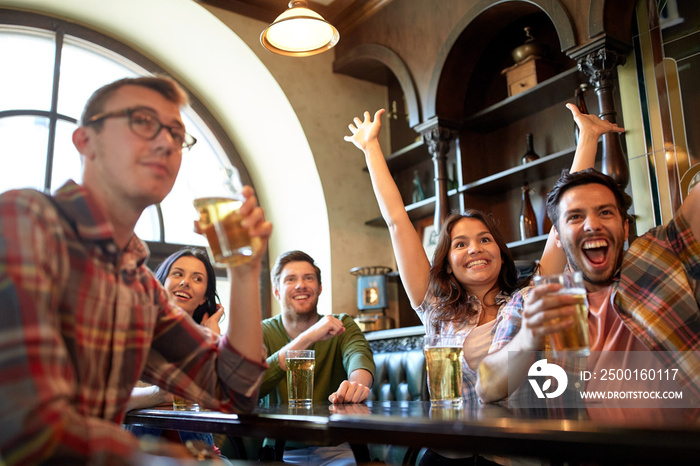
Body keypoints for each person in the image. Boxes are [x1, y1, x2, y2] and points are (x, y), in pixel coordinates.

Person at [0, 76, 272, 465]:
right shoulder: (26, 220)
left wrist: (245, 269)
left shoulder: (138, 287)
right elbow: (30, 428)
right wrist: (184, 462)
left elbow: (236, 390)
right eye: (142, 121)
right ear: (85, 141)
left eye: (177, 134)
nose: (165, 142)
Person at [345, 106, 624, 464]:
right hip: (449, 455)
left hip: (513, 454)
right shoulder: (433, 305)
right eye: (460, 244)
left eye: (485, 240)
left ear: (500, 252)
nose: (474, 248)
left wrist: (587, 138)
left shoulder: (527, 298)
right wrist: (371, 147)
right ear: (446, 262)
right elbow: (398, 221)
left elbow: (560, 230)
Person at [476, 165, 700, 403]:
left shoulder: (663, 253)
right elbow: (487, 388)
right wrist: (528, 339)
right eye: (575, 217)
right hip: (584, 439)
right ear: (559, 237)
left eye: (605, 213)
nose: (592, 225)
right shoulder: (531, 301)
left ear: (625, 228)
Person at [258, 250, 375, 464]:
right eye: (290, 279)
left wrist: (357, 386)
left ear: (319, 288)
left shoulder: (342, 324)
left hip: (336, 448)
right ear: (276, 290)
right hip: (279, 451)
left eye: (308, 278)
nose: (300, 285)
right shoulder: (262, 332)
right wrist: (309, 336)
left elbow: (359, 357)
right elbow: (254, 385)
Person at [125, 247, 225, 453]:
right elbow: (109, 401)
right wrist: (159, 394)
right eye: (178, 274)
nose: (185, 282)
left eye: (197, 279)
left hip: (198, 453)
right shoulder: (132, 333)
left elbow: (221, 406)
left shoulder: (210, 340)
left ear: (204, 299)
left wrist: (211, 343)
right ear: (160, 285)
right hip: (138, 453)